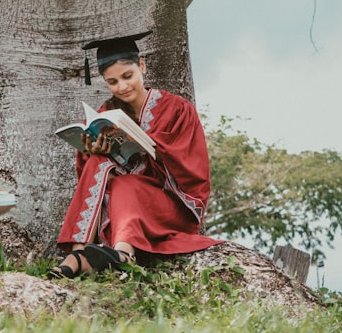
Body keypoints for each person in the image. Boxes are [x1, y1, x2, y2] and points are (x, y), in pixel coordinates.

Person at [49, 31, 222, 279]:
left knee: (127, 184)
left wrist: (152, 147)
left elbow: (191, 165)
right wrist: (93, 151)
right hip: (123, 206)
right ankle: (78, 252)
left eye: (127, 76)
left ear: (142, 66)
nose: (122, 87)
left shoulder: (177, 109)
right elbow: (93, 177)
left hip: (168, 205)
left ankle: (124, 253)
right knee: (100, 163)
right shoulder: (107, 113)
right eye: (113, 82)